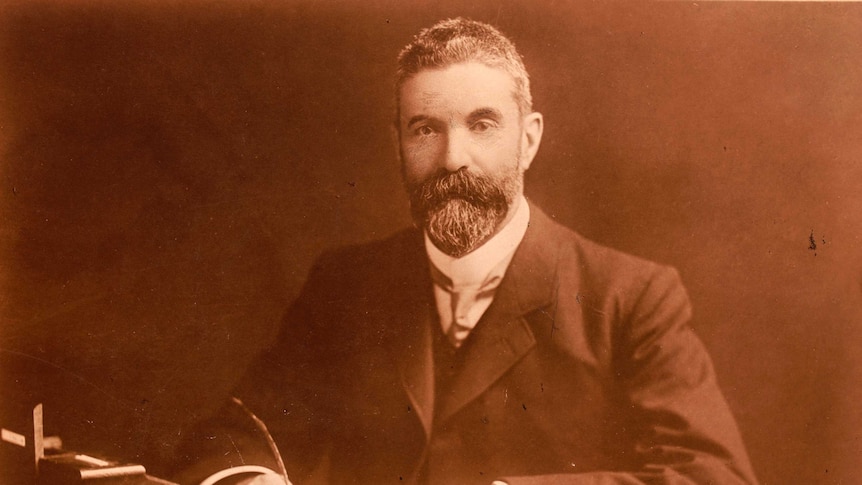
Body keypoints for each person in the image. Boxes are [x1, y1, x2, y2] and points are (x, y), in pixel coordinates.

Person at [176, 17, 758, 485]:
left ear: (528, 140)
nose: (453, 158)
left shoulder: (631, 296)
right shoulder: (346, 285)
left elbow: (711, 476)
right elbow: (243, 428)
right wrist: (251, 481)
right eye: (426, 129)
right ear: (398, 143)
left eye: (482, 125)